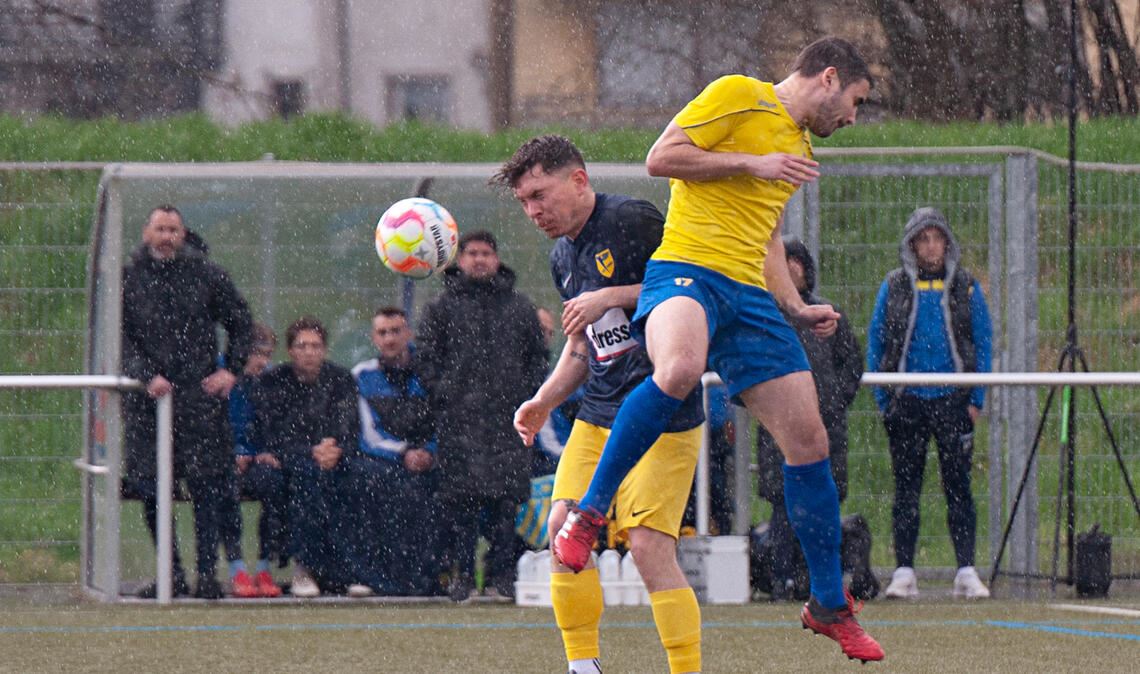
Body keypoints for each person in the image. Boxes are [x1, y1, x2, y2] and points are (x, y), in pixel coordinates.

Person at [550, 38, 884, 662]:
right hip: (686, 270)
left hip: (747, 296)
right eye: (856, 101)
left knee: (810, 441)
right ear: (829, 77)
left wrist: (794, 306)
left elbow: (768, 238)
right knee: (678, 368)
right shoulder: (740, 94)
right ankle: (590, 515)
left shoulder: (800, 148)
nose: (853, 117)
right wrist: (753, 163)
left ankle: (827, 604)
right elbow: (661, 158)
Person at [495, 135, 706, 674]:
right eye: (523, 202)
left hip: (661, 410)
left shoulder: (630, 220)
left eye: (539, 195)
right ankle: (582, 667)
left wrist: (611, 295)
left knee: (648, 546)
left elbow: (693, 286)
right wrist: (543, 400)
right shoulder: (562, 256)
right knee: (561, 529)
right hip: (598, 413)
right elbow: (583, 346)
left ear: (578, 180)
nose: (533, 211)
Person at [121, 204, 253, 600]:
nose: (166, 237)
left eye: (173, 230)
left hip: (199, 401)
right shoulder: (129, 278)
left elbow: (241, 322)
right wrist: (147, 374)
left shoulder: (207, 274)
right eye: (160, 229)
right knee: (151, 488)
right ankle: (171, 574)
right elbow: (120, 336)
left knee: (207, 487)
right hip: (148, 405)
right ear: (146, 232)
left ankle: (207, 575)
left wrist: (231, 370)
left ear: (183, 234)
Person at [866, 206, 993, 600]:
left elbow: (983, 342)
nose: (931, 246)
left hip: (954, 401)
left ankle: (966, 570)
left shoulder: (966, 287)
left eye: (937, 238)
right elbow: (876, 341)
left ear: (947, 244)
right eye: (923, 239)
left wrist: (976, 398)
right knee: (906, 488)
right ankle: (904, 571)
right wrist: (885, 398)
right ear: (912, 245)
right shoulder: (894, 286)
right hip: (907, 402)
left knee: (959, 488)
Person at [416, 230, 548, 601]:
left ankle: (501, 577)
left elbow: (538, 357)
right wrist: (446, 394)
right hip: (460, 422)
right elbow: (425, 357)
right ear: (460, 260)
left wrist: (524, 396)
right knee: (461, 505)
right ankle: (461, 576)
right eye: (472, 253)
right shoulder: (441, 308)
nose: (479, 260)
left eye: (486, 253)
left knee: (507, 503)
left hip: (509, 422)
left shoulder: (519, 307)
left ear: (496, 258)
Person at [755, 236, 863, 600]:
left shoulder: (826, 317)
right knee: (785, 507)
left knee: (822, 504)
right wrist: (772, 406)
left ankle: (820, 585)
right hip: (777, 429)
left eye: (797, 260)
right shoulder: (765, 317)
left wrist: (830, 403)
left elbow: (852, 366)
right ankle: (781, 579)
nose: (791, 267)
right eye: (784, 259)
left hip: (826, 427)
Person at [249, 316, 376, 598]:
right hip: (292, 459)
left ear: (325, 349)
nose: (309, 352)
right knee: (307, 478)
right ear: (290, 350)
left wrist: (335, 449)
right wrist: (311, 451)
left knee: (363, 478)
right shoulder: (273, 382)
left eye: (315, 346)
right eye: (302, 346)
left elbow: (350, 426)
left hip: (336, 457)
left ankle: (353, 569)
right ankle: (304, 567)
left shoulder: (341, 379)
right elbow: (273, 434)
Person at [351, 306, 441, 596]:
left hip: (433, 459)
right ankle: (381, 577)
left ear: (408, 333)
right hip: (387, 461)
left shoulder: (432, 373)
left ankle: (437, 574)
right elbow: (368, 434)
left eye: (395, 331)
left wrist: (429, 451)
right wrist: (404, 452)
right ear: (374, 338)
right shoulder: (362, 376)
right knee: (373, 481)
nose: (389, 339)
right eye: (382, 332)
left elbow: (447, 420)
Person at [217, 322, 288, 598]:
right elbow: (208, 423)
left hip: (256, 459)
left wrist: (267, 451)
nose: (262, 361)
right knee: (225, 487)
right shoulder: (219, 375)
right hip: (222, 460)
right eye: (257, 354)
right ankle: (237, 568)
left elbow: (277, 425)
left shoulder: (270, 380)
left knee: (275, 482)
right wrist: (232, 452)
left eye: (267, 354)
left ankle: (263, 567)